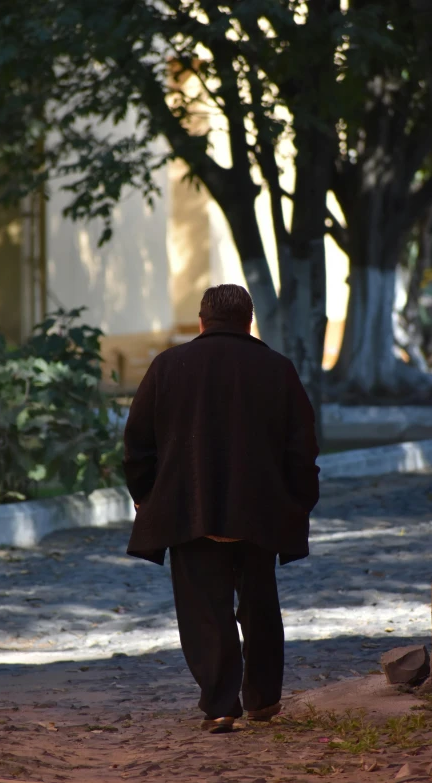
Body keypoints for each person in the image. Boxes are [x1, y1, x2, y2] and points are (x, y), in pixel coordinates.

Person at [123, 284, 320, 733]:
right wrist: (297, 504)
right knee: (260, 604)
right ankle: (264, 699)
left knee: (203, 613)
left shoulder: (167, 367)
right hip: (259, 513)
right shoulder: (278, 369)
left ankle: (220, 705)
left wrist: (147, 497)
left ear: (201, 321)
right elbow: (302, 449)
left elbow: (138, 445)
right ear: (249, 321)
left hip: (188, 511)